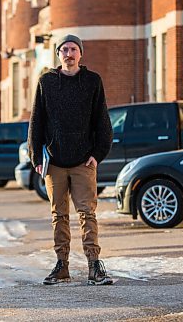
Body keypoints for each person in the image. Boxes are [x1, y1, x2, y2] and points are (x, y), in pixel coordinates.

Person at [28, 34, 113, 285]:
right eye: (64, 49)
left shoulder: (92, 82)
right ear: (58, 55)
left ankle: (94, 265)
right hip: (54, 162)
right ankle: (61, 265)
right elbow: (36, 122)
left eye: (73, 49)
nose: (69, 53)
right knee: (59, 215)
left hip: (83, 161)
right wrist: (36, 156)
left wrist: (97, 155)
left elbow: (103, 122)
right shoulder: (46, 82)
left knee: (87, 213)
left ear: (80, 54)